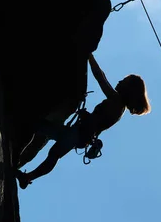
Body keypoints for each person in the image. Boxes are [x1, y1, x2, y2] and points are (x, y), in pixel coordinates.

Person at [15, 53, 151, 189]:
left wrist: (89, 56)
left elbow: (100, 77)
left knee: (40, 129)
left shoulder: (116, 101)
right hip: (80, 137)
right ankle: (28, 177)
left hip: (78, 133)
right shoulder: (119, 110)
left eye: (124, 81)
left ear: (129, 89)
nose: (120, 82)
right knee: (54, 154)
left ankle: (21, 165)